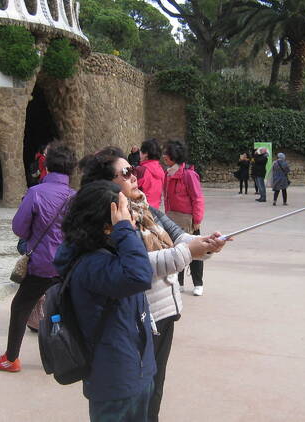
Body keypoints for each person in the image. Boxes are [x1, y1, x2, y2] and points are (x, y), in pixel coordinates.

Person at [80, 147, 225, 422]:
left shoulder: (147, 209)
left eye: (132, 169)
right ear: (105, 184)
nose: (133, 176)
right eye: (125, 173)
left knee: (153, 391)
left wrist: (206, 244)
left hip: (164, 311)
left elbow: (179, 237)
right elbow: (138, 266)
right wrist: (188, 252)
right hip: (138, 319)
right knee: (133, 395)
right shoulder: (110, 222)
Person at [53, 181, 154, 422]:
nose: (131, 218)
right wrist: (125, 231)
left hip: (132, 370)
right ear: (107, 225)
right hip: (116, 379)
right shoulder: (92, 265)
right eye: (123, 212)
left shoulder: (105, 253)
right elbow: (140, 275)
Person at [0, 144, 77, 372]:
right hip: (66, 265)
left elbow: (19, 227)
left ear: (46, 165)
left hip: (40, 265)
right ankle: (69, 356)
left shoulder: (36, 193)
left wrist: (33, 235)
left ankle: (11, 358)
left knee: (20, 307)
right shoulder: (74, 197)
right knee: (64, 311)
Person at [163, 141, 206, 296]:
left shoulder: (188, 175)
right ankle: (179, 282)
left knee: (196, 251)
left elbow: (197, 198)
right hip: (172, 219)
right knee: (176, 251)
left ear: (174, 156)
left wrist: (197, 219)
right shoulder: (167, 174)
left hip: (189, 220)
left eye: (167, 153)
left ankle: (198, 283)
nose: (164, 157)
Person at [136, 139, 164, 209]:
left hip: (142, 210)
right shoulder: (161, 170)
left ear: (146, 154)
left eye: (141, 152)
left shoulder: (142, 170)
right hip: (155, 209)